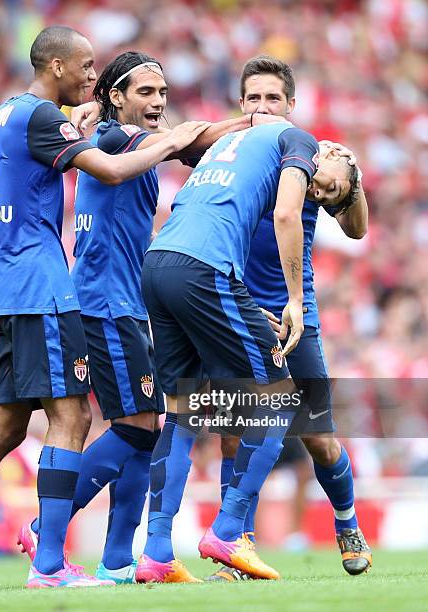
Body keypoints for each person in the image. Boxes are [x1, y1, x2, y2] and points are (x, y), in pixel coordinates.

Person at [0, 26, 209, 591]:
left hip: (3, 288)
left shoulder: (0, 117)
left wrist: (86, 122)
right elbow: (109, 169)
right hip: (42, 290)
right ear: (56, 66)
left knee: (2, 427)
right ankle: (50, 565)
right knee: (72, 418)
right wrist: (168, 140)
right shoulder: (40, 117)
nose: (92, 77)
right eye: (85, 67)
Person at [17, 50, 283, 585]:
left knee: (145, 426)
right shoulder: (117, 141)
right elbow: (189, 137)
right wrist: (260, 124)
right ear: (115, 98)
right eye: (145, 93)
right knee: (140, 427)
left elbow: (190, 143)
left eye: (162, 93)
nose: (158, 102)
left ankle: (120, 560)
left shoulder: (123, 140)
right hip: (106, 305)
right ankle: (46, 526)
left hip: (125, 305)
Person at [135, 121, 359, 583]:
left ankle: (156, 553)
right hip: (206, 270)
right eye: (329, 185)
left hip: (160, 262)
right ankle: (229, 530)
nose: (320, 191)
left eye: (329, 197)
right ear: (335, 150)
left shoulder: (227, 145)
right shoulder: (303, 142)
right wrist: (295, 300)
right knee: (278, 402)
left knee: (183, 412)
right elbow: (285, 214)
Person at [208, 56, 371, 582]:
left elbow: (356, 229)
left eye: (272, 99)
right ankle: (236, 547)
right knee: (233, 433)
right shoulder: (225, 151)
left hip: (292, 315)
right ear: (240, 104)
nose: (261, 108)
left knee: (317, 436)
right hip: (233, 310)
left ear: (291, 106)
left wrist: (354, 181)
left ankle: (346, 523)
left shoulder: (308, 153)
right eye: (252, 98)